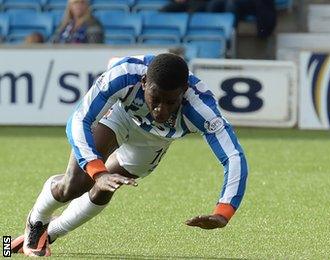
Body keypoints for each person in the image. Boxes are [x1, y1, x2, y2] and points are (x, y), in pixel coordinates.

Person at [10, 53, 248, 256]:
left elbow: (233, 156)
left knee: (105, 189)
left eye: (170, 102)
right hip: (121, 116)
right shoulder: (123, 75)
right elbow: (79, 120)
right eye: (156, 99)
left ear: (184, 91)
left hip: (154, 141)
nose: (161, 110)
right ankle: (37, 221)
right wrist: (97, 170)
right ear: (144, 82)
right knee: (76, 184)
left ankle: (50, 234)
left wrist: (223, 212)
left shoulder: (202, 109)